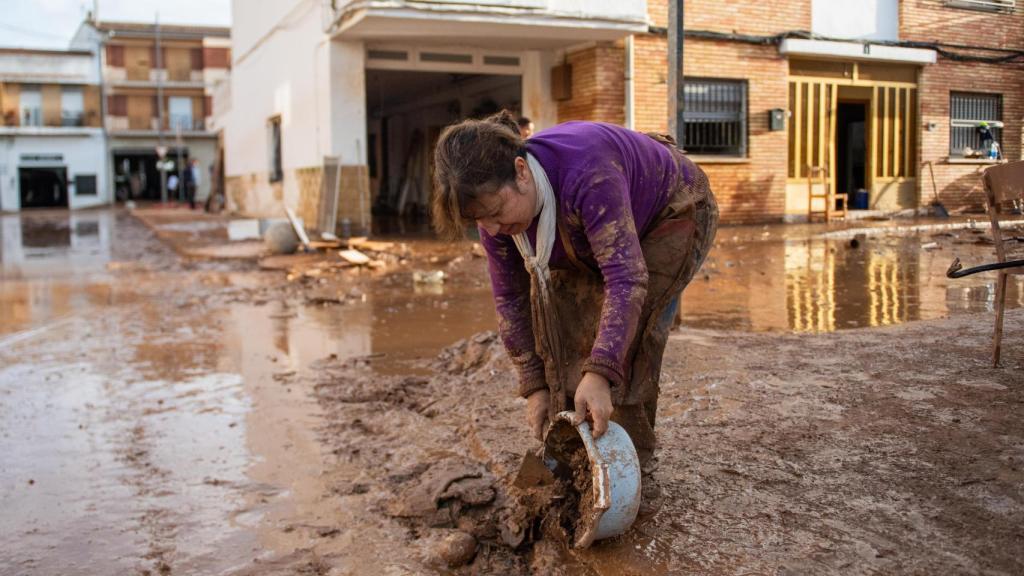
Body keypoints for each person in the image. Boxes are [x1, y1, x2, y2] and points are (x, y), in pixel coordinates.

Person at [432, 111, 718, 468]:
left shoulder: (588, 173)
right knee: (563, 330)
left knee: (626, 344)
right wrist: (534, 385)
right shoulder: (494, 220)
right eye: (479, 221)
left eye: (496, 212)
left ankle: (624, 467)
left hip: (670, 209)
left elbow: (627, 279)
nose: (491, 228)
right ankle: (571, 454)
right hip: (581, 220)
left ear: (521, 171)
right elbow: (511, 299)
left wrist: (600, 373)